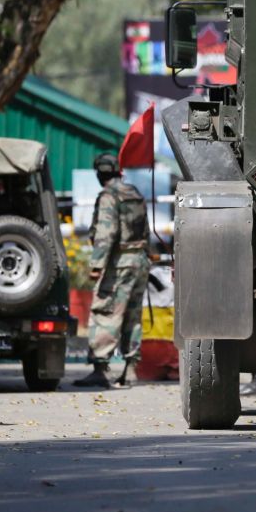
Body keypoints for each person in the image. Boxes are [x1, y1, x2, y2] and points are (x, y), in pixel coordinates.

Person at [73, 153, 150, 389]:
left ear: (100, 173)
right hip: (140, 260)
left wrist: (97, 265)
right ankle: (130, 370)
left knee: (106, 311)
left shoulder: (109, 196)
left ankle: (100, 368)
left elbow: (106, 234)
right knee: (132, 315)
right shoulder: (133, 192)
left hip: (120, 263)